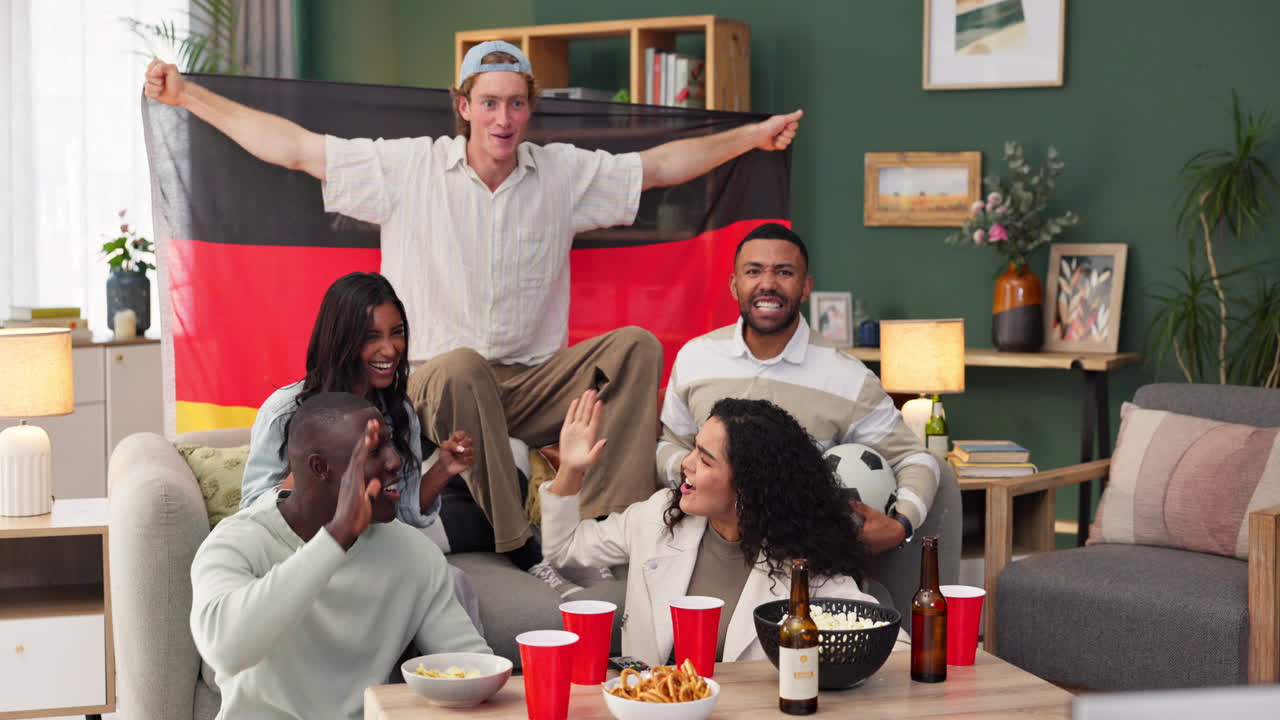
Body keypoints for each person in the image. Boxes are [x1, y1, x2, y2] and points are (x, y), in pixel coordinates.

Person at [143, 43, 802, 591]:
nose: (503, 117)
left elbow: (658, 169)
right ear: (464, 107)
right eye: (488, 102)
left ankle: (611, 537)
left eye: (516, 102)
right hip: (441, 380)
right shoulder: (410, 168)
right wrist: (187, 98)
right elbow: (296, 149)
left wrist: (753, 137)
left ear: (529, 110)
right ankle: (521, 544)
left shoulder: (561, 175)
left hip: (534, 380)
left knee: (633, 347)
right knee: (459, 364)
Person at [191, 392, 491, 720]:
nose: (395, 462)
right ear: (320, 467)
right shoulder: (237, 542)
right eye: (374, 451)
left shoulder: (414, 553)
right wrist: (336, 538)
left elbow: (473, 671)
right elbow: (225, 650)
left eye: (390, 445)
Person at [541, 391, 888, 667]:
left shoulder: (804, 564)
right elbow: (565, 549)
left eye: (706, 460)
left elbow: (883, 639)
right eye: (693, 448)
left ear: (749, 488)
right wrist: (570, 469)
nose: (686, 464)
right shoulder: (659, 514)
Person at [656, 223, 940, 554]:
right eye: (753, 271)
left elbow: (916, 459)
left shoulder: (848, 378)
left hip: (802, 559)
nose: (767, 284)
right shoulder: (695, 357)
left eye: (784, 272)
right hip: (703, 547)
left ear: (805, 287)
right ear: (735, 285)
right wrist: (708, 483)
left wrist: (902, 524)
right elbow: (669, 445)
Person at [240, 271, 494, 623]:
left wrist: (442, 470)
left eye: (397, 333)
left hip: (378, 554)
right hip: (306, 559)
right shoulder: (284, 411)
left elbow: (402, 513)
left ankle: (461, 677)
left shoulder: (399, 411)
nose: (389, 349)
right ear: (341, 340)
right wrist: (320, 464)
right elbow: (251, 511)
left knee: (454, 585)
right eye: (371, 336)